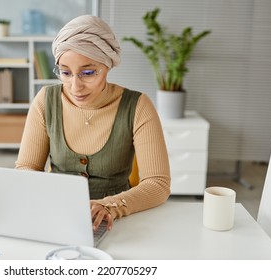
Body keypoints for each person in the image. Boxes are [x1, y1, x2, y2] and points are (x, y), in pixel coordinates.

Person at [15, 15, 170, 231]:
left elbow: (158, 184)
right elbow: (26, 167)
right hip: (56, 216)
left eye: (88, 73)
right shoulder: (45, 101)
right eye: (65, 73)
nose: (75, 86)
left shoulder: (138, 106)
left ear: (107, 65)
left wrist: (109, 206)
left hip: (117, 223)